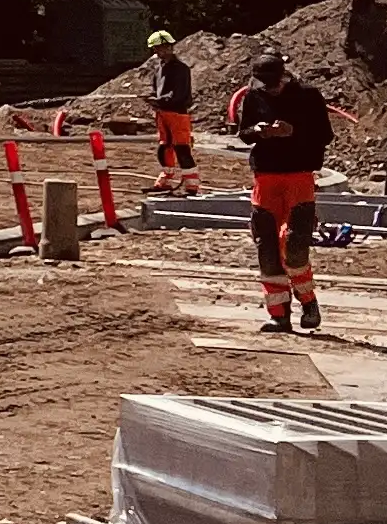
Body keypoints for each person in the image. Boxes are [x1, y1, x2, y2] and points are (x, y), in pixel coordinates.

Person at [226, 47, 333, 333]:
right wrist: (259, 131)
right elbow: (244, 133)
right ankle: (278, 314)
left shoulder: (307, 96)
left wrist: (293, 131)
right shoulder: (254, 96)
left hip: (298, 176)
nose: (268, 89)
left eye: (272, 83)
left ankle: (308, 302)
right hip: (266, 178)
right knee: (268, 248)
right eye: (263, 84)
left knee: (295, 246)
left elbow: (325, 135)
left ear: (283, 76)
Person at [141, 29, 203, 195]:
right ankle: (166, 180)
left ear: (170, 47)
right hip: (163, 114)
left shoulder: (180, 69)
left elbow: (180, 94)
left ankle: (191, 185)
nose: (161, 51)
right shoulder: (159, 69)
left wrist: (160, 101)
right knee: (164, 148)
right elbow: (158, 91)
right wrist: (153, 99)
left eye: (164, 47)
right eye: (157, 48)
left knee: (182, 148)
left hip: (177, 113)